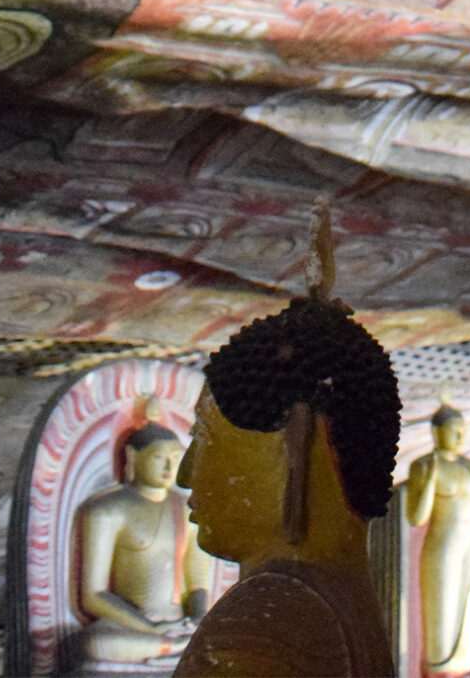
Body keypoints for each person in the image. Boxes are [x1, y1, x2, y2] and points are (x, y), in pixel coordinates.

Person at [175, 264, 399, 677]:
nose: (185, 474)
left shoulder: (263, 622)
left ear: (297, 443)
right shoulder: (341, 600)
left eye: (203, 438)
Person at [75, 422, 213, 669]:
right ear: (133, 456)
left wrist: (199, 620)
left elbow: (199, 582)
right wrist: (150, 627)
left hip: (181, 624)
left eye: (175, 457)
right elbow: (93, 596)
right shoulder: (107, 511)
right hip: (132, 626)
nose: (170, 467)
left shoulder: (189, 510)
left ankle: (180, 646)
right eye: (159, 457)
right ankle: (175, 649)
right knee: (97, 642)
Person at [402, 402, 470, 675]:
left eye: (462, 431)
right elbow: (416, 517)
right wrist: (430, 481)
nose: (459, 437)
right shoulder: (424, 466)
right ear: (437, 432)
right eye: (454, 431)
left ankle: (462, 670)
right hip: (442, 548)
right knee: (442, 619)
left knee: (467, 611)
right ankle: (438, 670)